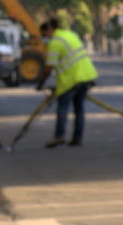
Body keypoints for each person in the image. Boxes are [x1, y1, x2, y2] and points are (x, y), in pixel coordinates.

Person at [37, 18, 97, 148]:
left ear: (49, 30)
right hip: (86, 76)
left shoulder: (55, 43)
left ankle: (59, 136)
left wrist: (41, 83)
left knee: (62, 107)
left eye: (44, 35)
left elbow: (49, 67)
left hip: (72, 79)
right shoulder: (70, 34)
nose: (44, 38)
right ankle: (77, 138)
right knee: (79, 108)